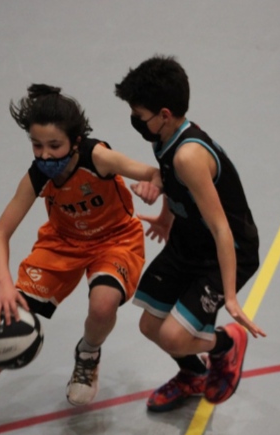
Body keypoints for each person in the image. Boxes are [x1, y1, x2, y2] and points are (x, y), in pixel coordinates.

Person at [0, 84, 162, 435]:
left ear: (76, 141)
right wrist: (4, 285)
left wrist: (154, 190)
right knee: (9, 316)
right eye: (37, 146)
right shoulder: (38, 175)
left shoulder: (98, 158)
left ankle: (88, 354)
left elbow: (156, 172)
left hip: (114, 240)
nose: (45, 154)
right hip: (62, 243)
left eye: (54, 145)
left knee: (103, 304)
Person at [114, 55, 266, 412]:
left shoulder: (189, 156)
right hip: (188, 239)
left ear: (164, 114)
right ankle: (193, 375)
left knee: (174, 336)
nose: (135, 120)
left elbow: (221, 228)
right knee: (150, 326)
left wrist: (230, 297)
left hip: (226, 250)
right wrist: (165, 217)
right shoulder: (163, 138)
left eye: (139, 114)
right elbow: (173, 183)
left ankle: (228, 343)